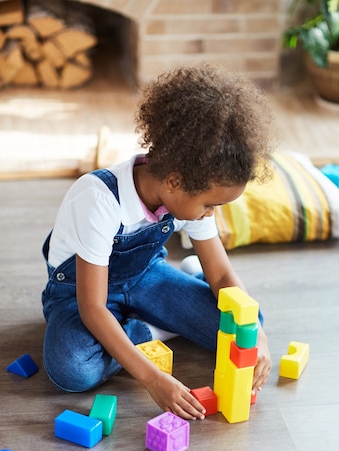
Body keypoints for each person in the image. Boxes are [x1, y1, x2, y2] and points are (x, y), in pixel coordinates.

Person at [41, 63, 274, 420]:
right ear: (175, 183)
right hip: (79, 295)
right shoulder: (99, 198)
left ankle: (156, 312)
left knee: (243, 322)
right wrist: (153, 378)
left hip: (145, 277)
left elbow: (224, 278)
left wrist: (257, 336)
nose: (211, 214)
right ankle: (148, 329)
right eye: (209, 205)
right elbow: (93, 308)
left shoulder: (191, 192)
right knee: (72, 369)